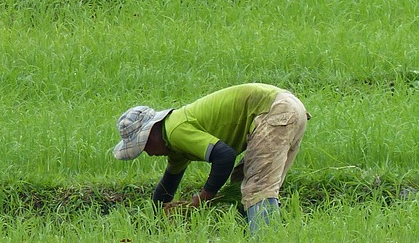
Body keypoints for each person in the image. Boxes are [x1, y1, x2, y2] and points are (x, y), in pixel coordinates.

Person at [112, 84, 308, 233]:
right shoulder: (174, 145)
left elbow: (224, 156)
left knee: (258, 187)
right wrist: (153, 220)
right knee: (240, 183)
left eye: (143, 145)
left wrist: (204, 197)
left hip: (275, 111)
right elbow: (167, 185)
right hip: (287, 108)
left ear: (152, 132)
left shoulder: (175, 131)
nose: (147, 152)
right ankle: (253, 239)